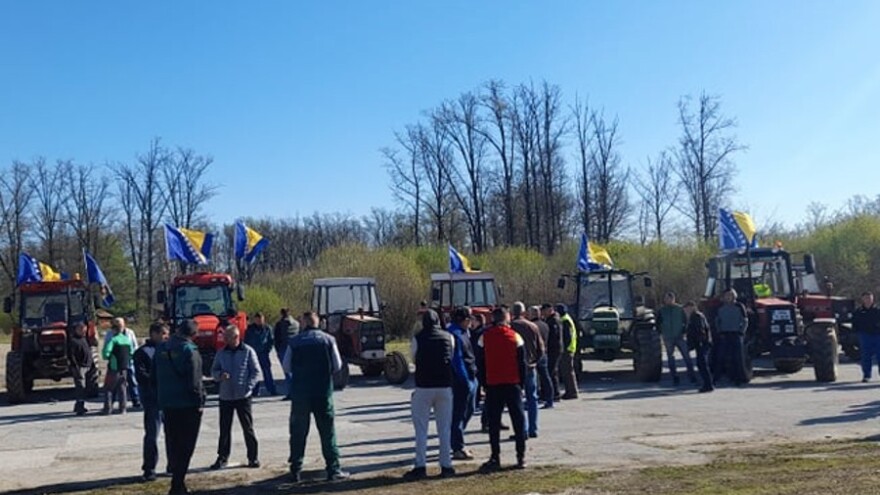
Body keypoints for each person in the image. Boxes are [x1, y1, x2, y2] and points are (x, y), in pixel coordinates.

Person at [283, 311, 349, 483]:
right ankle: (333, 469)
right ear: (318, 322)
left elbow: (286, 367)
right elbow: (337, 365)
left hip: (301, 394)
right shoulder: (328, 340)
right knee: (327, 432)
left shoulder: (294, 342)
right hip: (322, 392)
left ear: (304, 323)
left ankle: (295, 470)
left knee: (298, 432)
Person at [154, 319, 206, 495]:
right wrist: (200, 402)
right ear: (193, 335)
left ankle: (177, 483)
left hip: (167, 403)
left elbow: (155, 375)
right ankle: (177, 483)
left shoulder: (161, 349)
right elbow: (195, 381)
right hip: (187, 404)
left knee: (173, 443)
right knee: (186, 445)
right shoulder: (190, 351)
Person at [404, 309, 456, 480]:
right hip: (444, 386)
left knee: (421, 429)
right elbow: (452, 356)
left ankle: (420, 465)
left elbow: (413, 358)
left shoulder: (418, 338)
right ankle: (446, 465)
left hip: (424, 386)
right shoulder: (449, 337)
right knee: (444, 429)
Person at [478, 307, 527, 471]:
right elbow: (522, 363)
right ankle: (521, 457)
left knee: (493, 423)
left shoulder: (484, 337)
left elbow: (480, 362)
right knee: (518, 421)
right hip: (512, 384)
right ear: (507, 318)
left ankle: (495, 456)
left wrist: (484, 383)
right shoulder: (515, 337)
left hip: (493, 384)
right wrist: (522, 385)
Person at [210, 324, 262, 470]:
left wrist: (248, 387)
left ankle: (253, 457)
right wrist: (220, 376)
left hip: (243, 396)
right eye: (224, 337)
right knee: (224, 429)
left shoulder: (248, 351)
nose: (224, 339)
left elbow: (256, 372)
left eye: (227, 337)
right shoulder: (221, 353)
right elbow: (213, 371)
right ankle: (222, 457)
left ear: (236, 337)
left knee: (248, 428)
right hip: (226, 396)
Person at [134, 321, 170, 482]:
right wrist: (159, 381)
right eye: (163, 333)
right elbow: (142, 376)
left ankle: (173, 465)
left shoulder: (168, 350)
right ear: (154, 334)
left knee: (172, 434)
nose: (166, 337)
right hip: (153, 400)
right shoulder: (142, 353)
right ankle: (149, 469)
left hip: (169, 400)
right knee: (152, 435)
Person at [447, 306, 478, 461]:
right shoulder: (454, 334)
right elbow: (457, 360)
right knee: (458, 413)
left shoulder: (465, 332)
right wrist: (465, 380)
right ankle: (457, 446)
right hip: (462, 380)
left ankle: (455, 436)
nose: (471, 322)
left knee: (470, 409)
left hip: (472, 377)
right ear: (463, 320)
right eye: (469, 319)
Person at [510, 302, 544, 438]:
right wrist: (535, 361)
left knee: (517, 400)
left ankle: (521, 430)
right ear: (524, 313)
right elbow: (541, 349)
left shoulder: (510, 327)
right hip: (530, 366)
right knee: (532, 398)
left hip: (514, 367)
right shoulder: (533, 326)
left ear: (512, 313)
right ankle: (533, 429)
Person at [657, 291, 697, 386]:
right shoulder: (662, 310)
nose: (668, 300)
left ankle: (692, 375)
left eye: (670, 298)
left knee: (686, 356)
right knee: (671, 358)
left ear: (674, 299)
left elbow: (685, 321)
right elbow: (658, 323)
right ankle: (674, 377)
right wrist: (662, 332)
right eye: (666, 298)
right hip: (668, 337)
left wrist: (684, 331)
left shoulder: (679, 309)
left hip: (679, 336)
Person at [714, 288, 749, 386]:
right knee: (721, 356)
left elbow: (745, 320)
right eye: (726, 295)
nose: (728, 297)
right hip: (725, 334)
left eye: (730, 295)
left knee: (737, 357)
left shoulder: (739, 306)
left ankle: (738, 378)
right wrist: (719, 331)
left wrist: (742, 331)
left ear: (734, 296)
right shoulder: (720, 307)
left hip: (736, 334)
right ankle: (717, 377)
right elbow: (717, 321)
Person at [104, 317, 141, 408]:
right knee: (116, 385)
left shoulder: (130, 333)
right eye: (116, 324)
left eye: (120, 324)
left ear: (124, 324)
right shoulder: (110, 334)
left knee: (131, 380)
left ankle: (135, 399)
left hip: (128, 361)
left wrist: (132, 357)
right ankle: (112, 403)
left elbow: (134, 346)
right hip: (115, 363)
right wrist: (109, 357)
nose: (119, 326)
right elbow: (106, 348)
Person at [102, 322, 133, 415]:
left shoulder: (113, 340)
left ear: (114, 330)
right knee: (122, 388)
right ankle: (123, 409)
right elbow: (131, 352)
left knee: (109, 388)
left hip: (114, 367)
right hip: (124, 367)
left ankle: (108, 409)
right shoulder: (127, 340)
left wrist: (109, 357)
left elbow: (106, 353)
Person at [684, 302, 714, 393]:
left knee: (702, 364)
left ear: (693, 307)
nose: (686, 310)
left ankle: (708, 384)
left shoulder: (697, 316)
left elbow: (700, 330)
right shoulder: (692, 317)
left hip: (702, 343)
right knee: (701, 364)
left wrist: (700, 341)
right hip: (699, 343)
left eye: (688, 308)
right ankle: (707, 383)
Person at [245, 312, 276, 396]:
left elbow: (271, 340)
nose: (259, 321)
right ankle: (255, 391)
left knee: (267, 372)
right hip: (253, 354)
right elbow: (246, 340)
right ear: (255, 319)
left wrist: (267, 350)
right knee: (254, 372)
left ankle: (271, 389)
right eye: (257, 320)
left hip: (264, 353)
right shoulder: (249, 329)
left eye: (261, 320)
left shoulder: (267, 328)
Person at [852, 291, 880, 382]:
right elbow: (854, 323)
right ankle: (867, 375)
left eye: (870, 298)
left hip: (877, 335)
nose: (868, 300)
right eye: (866, 298)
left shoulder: (877, 310)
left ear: (873, 299)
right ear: (863, 299)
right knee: (865, 356)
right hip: (864, 336)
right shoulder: (858, 311)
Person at [529, 306, 554, 408]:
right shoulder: (545, 325)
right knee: (545, 377)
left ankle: (533, 399)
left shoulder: (532, 326)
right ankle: (549, 399)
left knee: (533, 378)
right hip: (544, 353)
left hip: (534, 354)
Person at [67, 322, 93, 416]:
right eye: (82, 329)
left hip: (87, 366)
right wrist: (76, 367)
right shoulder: (73, 341)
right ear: (77, 330)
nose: (84, 331)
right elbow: (71, 356)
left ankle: (78, 405)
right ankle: (80, 408)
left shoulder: (84, 339)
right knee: (80, 388)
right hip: (79, 367)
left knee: (84, 387)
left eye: (85, 330)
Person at [274, 308, 300, 400]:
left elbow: (276, 338)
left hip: (284, 348)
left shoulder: (279, 324)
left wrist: (277, 350)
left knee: (287, 372)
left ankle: (291, 392)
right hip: (296, 348)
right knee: (295, 371)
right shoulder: (297, 324)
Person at [556, 304, 579, 400]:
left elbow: (567, 337)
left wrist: (564, 349)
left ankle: (571, 392)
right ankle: (571, 391)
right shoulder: (567, 318)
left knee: (567, 372)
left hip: (567, 350)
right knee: (568, 372)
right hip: (570, 349)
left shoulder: (565, 321)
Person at [541, 303, 563, 403]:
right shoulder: (552, 319)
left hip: (554, 349)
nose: (543, 313)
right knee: (553, 372)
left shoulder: (553, 320)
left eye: (544, 311)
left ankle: (553, 394)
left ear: (549, 310)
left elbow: (553, 336)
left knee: (550, 371)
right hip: (555, 349)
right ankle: (555, 393)